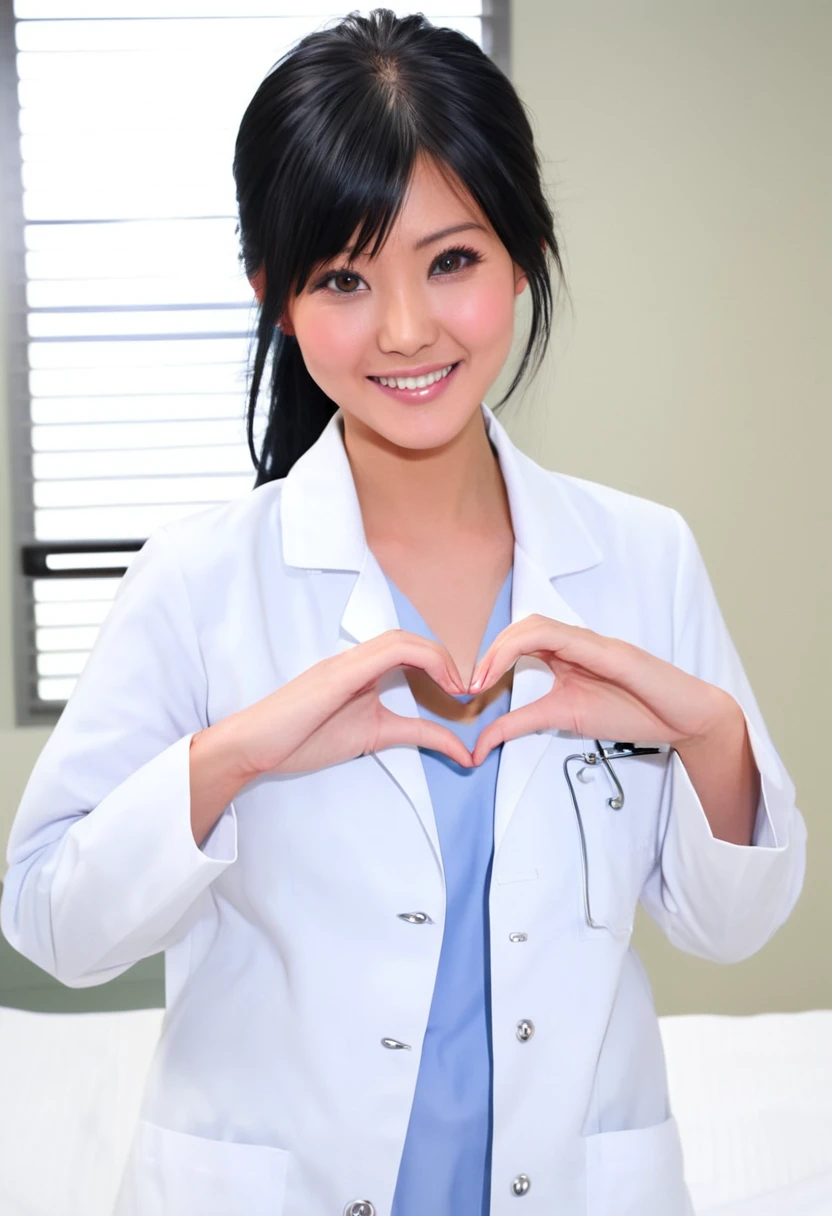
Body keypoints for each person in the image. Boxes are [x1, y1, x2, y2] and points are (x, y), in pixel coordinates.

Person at [0, 9, 806, 1216]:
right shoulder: (200, 580)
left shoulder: (641, 556)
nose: (406, 331)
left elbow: (730, 925)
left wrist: (714, 744)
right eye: (342, 277)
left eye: (451, 261)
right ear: (274, 292)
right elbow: (54, 922)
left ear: (521, 252)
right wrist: (232, 758)